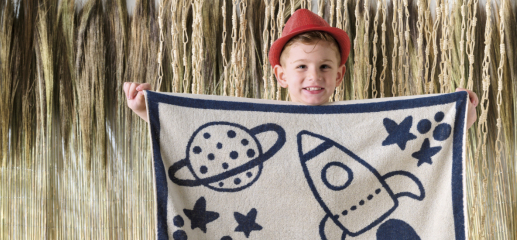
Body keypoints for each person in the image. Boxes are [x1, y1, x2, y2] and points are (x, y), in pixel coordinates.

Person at [123, 9, 478, 125]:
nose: (314, 76)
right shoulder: (258, 121)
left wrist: (462, 116)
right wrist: (145, 110)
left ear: (339, 74)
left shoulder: (361, 123)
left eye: (324, 66)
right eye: (302, 67)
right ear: (280, 76)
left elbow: (418, 139)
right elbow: (195, 130)